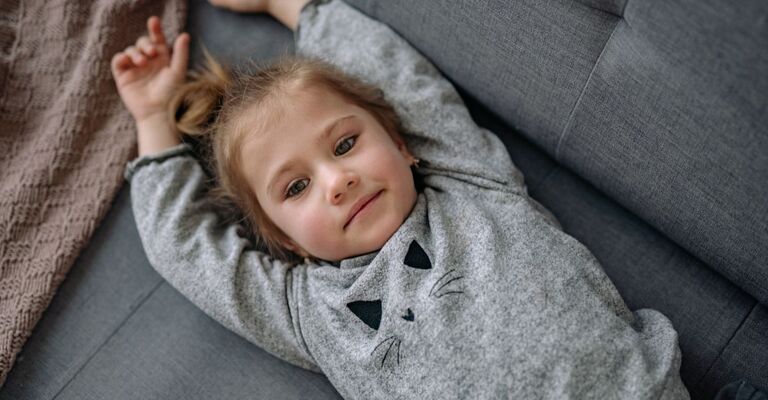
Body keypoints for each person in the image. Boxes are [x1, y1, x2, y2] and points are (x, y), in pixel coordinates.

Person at [111, 0, 693, 398]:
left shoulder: (466, 180)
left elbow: (396, 73)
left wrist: (287, 3)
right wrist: (151, 117)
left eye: (344, 144)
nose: (336, 180)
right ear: (286, 238)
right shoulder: (310, 314)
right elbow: (186, 251)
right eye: (296, 187)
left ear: (399, 143)